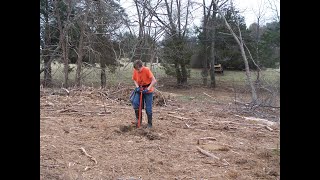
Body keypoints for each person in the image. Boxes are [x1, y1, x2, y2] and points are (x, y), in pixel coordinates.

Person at [131, 60, 157, 128]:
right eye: (136, 69)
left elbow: (154, 81)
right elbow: (134, 79)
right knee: (135, 103)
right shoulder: (135, 70)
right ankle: (138, 121)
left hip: (148, 90)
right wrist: (137, 88)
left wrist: (148, 89)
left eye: (138, 69)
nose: (137, 71)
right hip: (140, 89)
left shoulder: (147, 70)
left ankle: (149, 124)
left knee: (148, 108)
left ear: (142, 66)